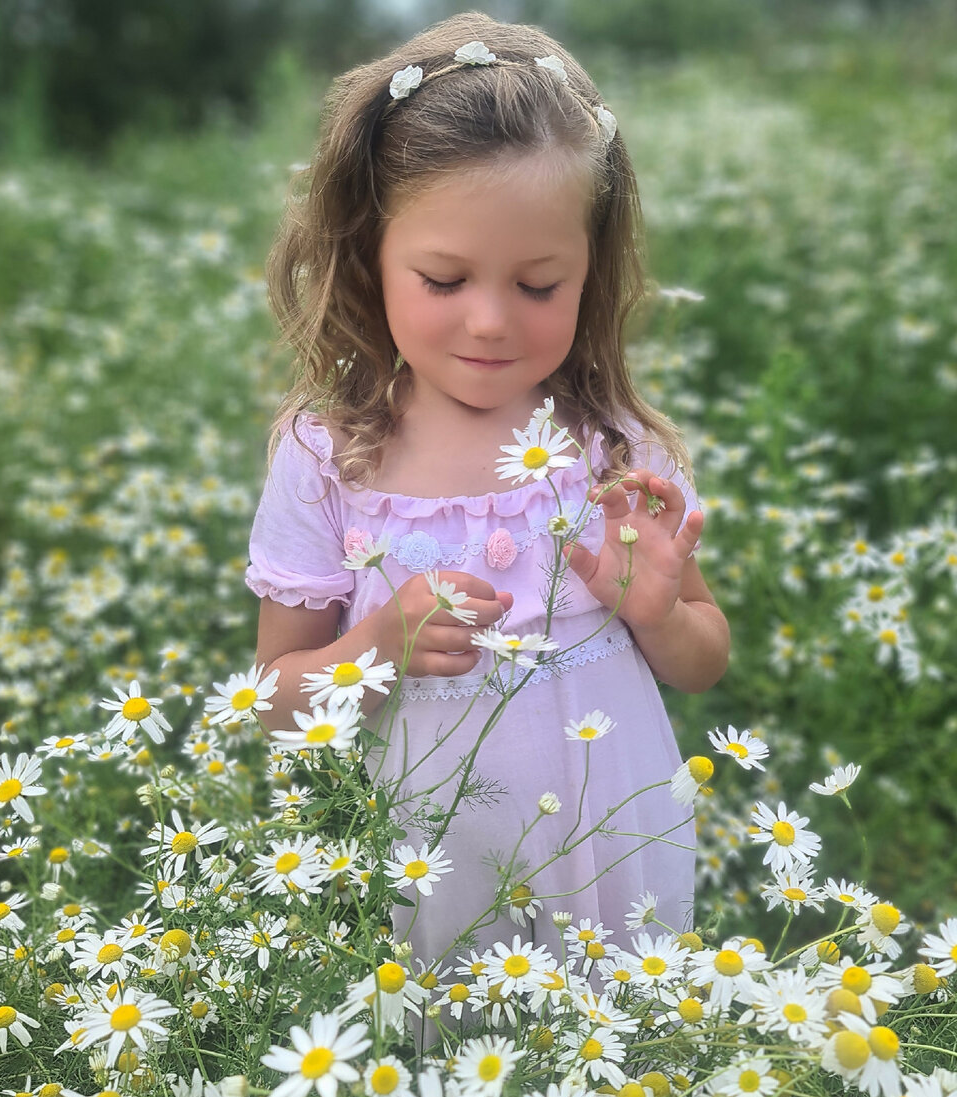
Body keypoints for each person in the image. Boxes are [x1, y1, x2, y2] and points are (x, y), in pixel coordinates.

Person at [244, 12, 729, 975]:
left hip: (612, 846)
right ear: (369, 254)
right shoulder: (328, 453)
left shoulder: (610, 448)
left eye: (541, 284)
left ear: (592, 273)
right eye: (444, 277)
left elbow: (704, 662)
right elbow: (273, 697)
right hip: (427, 869)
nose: (491, 320)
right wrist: (376, 649)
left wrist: (661, 609)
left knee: (610, 1060)